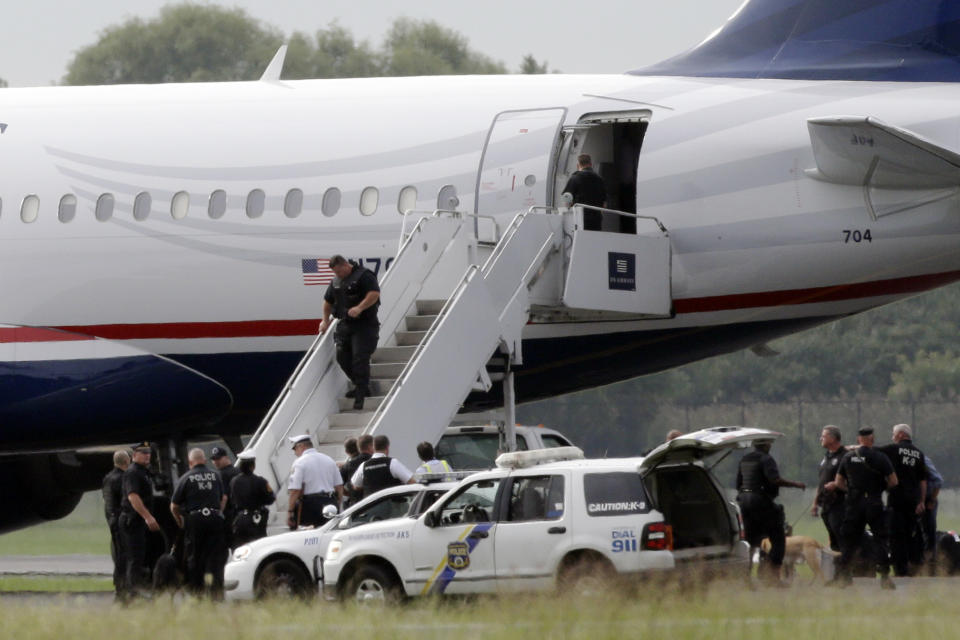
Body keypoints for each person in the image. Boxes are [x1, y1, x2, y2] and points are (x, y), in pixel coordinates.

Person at [832, 427, 898, 589]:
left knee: (849, 540)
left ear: (858, 439)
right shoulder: (880, 457)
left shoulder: (848, 457)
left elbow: (838, 482)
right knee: (880, 539)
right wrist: (880, 489)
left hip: (854, 504)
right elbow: (894, 481)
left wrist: (852, 492)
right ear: (872, 439)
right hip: (874, 502)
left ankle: (845, 576)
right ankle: (884, 577)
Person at [735, 439, 805, 586]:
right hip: (761, 502)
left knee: (750, 542)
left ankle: (746, 580)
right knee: (778, 539)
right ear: (767, 445)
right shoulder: (767, 459)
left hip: (744, 503)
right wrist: (795, 484)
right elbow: (774, 480)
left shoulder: (745, 459)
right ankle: (773, 579)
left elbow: (737, 484)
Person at [319, 255, 380, 410]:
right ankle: (362, 386)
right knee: (342, 357)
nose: (338, 275)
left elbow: (374, 294)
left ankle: (360, 396)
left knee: (360, 358)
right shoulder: (336, 282)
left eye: (340, 271)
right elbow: (327, 302)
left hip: (364, 325)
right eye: (336, 272)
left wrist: (360, 307)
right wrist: (325, 321)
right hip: (345, 325)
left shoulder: (364, 276)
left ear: (346, 265)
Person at [170, 448, 227, 598]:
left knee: (195, 557)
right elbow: (224, 498)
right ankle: (216, 593)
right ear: (205, 460)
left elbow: (174, 505)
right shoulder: (215, 476)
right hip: (215, 519)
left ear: (190, 462)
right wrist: (218, 512)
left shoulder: (186, 478)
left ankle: (197, 592)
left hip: (195, 520)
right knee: (215, 557)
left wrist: (180, 521)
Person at [877, 424, 928, 577]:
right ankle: (913, 567)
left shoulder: (894, 449)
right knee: (909, 534)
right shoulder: (919, 453)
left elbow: (871, 451)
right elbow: (923, 481)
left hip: (897, 500)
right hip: (913, 501)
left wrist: (852, 447)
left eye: (893, 434)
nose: (892, 437)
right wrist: (922, 501)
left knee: (895, 535)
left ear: (899, 435)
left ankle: (900, 570)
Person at [119, 442, 161, 599]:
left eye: (148, 452)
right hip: (132, 520)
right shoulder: (133, 473)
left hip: (138, 521)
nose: (147, 455)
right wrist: (148, 517)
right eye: (143, 452)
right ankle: (132, 593)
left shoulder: (144, 472)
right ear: (134, 455)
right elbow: (133, 496)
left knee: (140, 556)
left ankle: (137, 589)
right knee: (134, 558)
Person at [287, 434, 343, 528]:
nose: (295, 452)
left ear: (301, 446)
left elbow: (295, 490)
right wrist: (338, 504)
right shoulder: (329, 460)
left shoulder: (299, 462)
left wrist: (290, 512)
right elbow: (339, 486)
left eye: (294, 448)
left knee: (309, 538)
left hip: (309, 506)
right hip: (330, 502)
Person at [810, 425, 846, 551]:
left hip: (840, 504)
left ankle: (849, 566)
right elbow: (821, 482)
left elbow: (852, 481)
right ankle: (839, 567)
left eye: (824, 436)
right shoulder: (826, 457)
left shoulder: (844, 456)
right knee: (833, 538)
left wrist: (836, 484)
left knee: (841, 536)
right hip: (826, 505)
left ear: (832, 438)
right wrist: (815, 503)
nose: (821, 439)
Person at [229, 451, 276, 547]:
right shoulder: (260, 481)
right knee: (259, 545)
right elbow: (270, 498)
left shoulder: (234, 481)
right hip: (256, 518)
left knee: (242, 546)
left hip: (240, 518)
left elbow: (232, 499)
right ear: (253, 466)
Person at [102, 449, 130, 599]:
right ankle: (123, 589)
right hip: (121, 519)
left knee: (118, 554)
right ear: (126, 462)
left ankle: (119, 586)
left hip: (111, 519)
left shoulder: (107, 478)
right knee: (124, 556)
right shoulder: (123, 478)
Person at [561, 154, 606, 230]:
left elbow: (567, 198)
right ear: (590, 164)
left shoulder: (575, 178)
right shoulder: (600, 179)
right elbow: (604, 203)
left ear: (578, 165)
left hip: (580, 220)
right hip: (596, 221)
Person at [210, 446, 238, 549]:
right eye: (214, 459)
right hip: (242, 514)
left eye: (218, 459)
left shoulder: (221, 474)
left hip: (229, 515)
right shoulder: (238, 471)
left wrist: (219, 514)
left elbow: (224, 497)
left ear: (226, 457)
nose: (216, 462)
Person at [339, 436, 371, 509]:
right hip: (374, 498)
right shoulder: (371, 459)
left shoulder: (348, 466)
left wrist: (349, 493)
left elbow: (339, 485)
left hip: (356, 503)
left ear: (346, 451)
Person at [922, 454, 943, 562]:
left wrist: (932, 500)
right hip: (917, 501)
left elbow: (938, 481)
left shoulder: (922, 459)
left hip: (927, 501)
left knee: (928, 533)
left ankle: (929, 564)